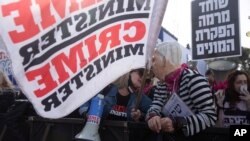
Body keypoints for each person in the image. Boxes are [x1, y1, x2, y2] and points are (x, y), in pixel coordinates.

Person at [146, 42, 217, 138]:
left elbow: (210, 116)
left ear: (165, 60)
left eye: (154, 60)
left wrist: (177, 123)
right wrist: (153, 116)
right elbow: (155, 106)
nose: (151, 65)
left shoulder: (193, 79)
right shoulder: (161, 84)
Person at [79, 68, 152, 121]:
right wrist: (86, 115)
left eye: (147, 79)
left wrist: (140, 116)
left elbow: (154, 112)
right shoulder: (106, 88)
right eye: (141, 73)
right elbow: (82, 101)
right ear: (130, 71)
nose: (143, 77)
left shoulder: (140, 97)